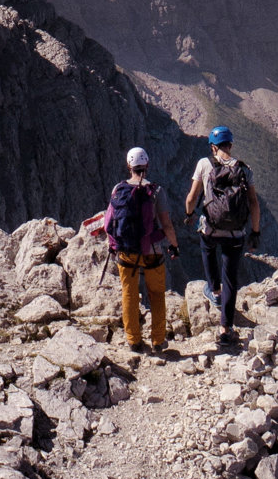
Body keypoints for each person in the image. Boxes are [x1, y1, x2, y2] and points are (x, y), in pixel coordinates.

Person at [185, 126, 261, 345]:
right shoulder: (245, 169)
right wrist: (255, 232)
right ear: (231, 145)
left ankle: (213, 289)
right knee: (231, 278)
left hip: (210, 228)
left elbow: (192, 197)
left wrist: (189, 215)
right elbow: (254, 203)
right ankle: (225, 330)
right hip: (236, 233)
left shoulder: (204, 164)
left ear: (213, 147)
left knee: (207, 247)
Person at [104, 146, 179, 356]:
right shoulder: (156, 191)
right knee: (156, 294)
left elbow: (108, 222)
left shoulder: (117, 189)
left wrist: (113, 244)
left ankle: (133, 340)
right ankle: (158, 340)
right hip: (153, 251)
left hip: (126, 250)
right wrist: (174, 245)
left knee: (129, 293)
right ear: (146, 165)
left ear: (129, 166)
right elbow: (167, 225)